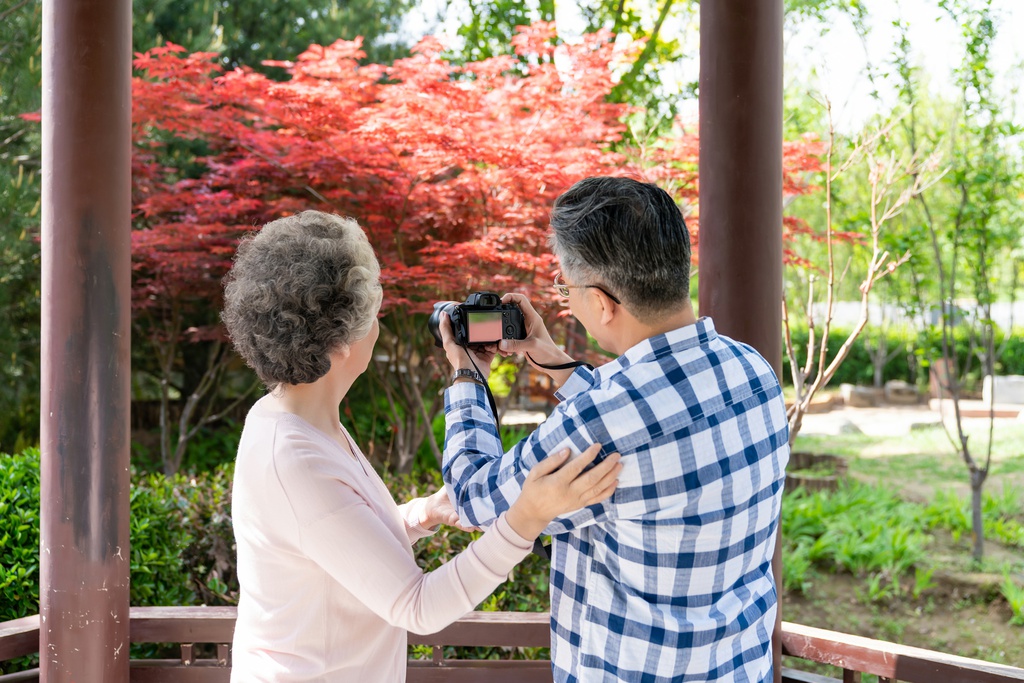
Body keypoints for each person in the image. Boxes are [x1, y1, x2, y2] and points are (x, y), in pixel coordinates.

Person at [220, 209, 622, 683]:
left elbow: (334, 539)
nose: (379, 324)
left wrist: (419, 516)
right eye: (372, 313)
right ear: (342, 342)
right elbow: (418, 607)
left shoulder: (293, 420)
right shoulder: (292, 457)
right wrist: (525, 518)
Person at [438, 176, 790, 683]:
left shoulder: (604, 420)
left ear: (602, 303)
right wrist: (553, 360)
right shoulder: (753, 372)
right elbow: (651, 414)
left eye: (565, 286)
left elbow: (473, 497)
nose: (565, 299)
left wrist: (468, 374)